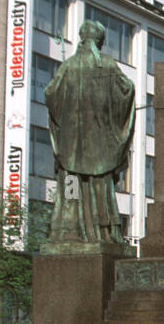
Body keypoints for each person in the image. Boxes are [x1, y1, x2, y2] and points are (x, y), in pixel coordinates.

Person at [44, 19, 135, 246]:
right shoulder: (107, 65)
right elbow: (127, 90)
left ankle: (70, 230)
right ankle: (104, 232)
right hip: (100, 146)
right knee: (100, 186)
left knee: (72, 186)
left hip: (72, 145)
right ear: (100, 41)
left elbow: (50, 94)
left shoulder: (69, 66)